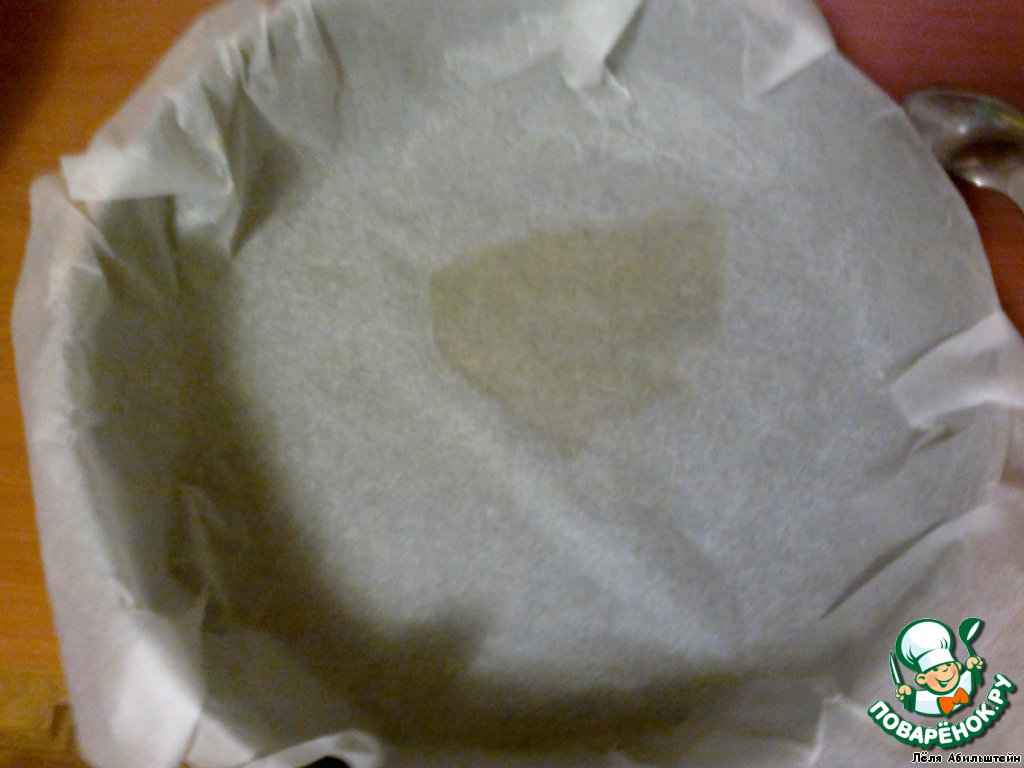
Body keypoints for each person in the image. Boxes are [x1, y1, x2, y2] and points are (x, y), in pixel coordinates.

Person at [893, 619, 985, 717]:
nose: (945, 672)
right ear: (922, 679)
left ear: (958, 667)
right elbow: (912, 700)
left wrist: (973, 667)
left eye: (948, 665)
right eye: (935, 669)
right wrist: (907, 694)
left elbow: (973, 675)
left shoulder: (965, 682)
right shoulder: (926, 700)